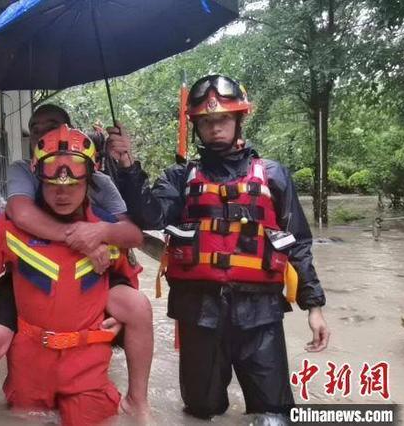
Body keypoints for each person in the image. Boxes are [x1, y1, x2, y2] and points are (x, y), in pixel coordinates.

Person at [108, 75, 330, 419]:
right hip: (200, 312)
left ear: (239, 119)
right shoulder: (180, 178)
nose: (215, 128)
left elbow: (297, 242)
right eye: (207, 121)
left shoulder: (273, 174)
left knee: (274, 413)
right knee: (202, 410)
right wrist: (126, 167)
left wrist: (314, 306)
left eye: (223, 119)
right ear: (196, 126)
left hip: (261, 313)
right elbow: (148, 215)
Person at [0, 106, 153, 425]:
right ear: (38, 178)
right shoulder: (13, 223)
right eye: (53, 185)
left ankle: (139, 401)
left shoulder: (105, 226)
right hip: (31, 355)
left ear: (89, 181)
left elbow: (128, 269)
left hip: (84, 368)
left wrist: (115, 319)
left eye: (73, 185)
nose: (62, 194)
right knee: (22, 410)